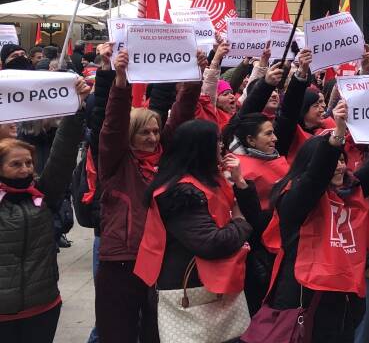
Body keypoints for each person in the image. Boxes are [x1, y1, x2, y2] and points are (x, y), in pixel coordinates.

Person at [264, 98, 369, 342]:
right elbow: (314, 180)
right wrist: (338, 134)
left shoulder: (350, 190)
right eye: (333, 161)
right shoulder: (294, 199)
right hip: (303, 300)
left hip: (343, 302)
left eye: (342, 160)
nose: (339, 167)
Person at [96, 50, 200, 343]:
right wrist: (120, 82)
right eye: (144, 133)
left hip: (161, 258)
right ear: (130, 136)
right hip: (122, 259)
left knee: (158, 332)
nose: (153, 138)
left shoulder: (166, 159)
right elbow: (112, 125)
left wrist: (192, 79)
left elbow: (180, 116)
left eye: (156, 132)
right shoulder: (116, 161)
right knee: (118, 332)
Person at [133, 120, 254, 321]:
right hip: (188, 286)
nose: (222, 146)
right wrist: (240, 221)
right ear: (201, 148)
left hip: (207, 282)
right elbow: (210, 242)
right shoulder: (180, 192)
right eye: (217, 141)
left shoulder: (210, 179)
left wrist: (240, 182)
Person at [0, 79, 89, 343]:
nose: (26, 169)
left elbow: (61, 157)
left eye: (29, 162)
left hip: (42, 308)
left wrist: (75, 110)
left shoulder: (41, 195)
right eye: (16, 164)